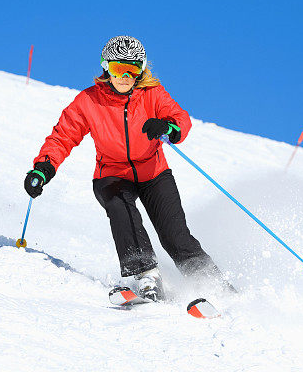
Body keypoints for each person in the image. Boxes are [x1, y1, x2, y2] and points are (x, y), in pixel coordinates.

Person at [24, 35, 229, 301]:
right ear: (106, 68)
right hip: (112, 175)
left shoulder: (152, 94)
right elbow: (63, 135)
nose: (125, 76)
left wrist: (168, 127)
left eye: (133, 69)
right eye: (119, 68)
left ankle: (215, 286)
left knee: (175, 236)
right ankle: (147, 276)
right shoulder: (89, 101)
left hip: (154, 173)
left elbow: (180, 119)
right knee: (122, 211)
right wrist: (43, 168)